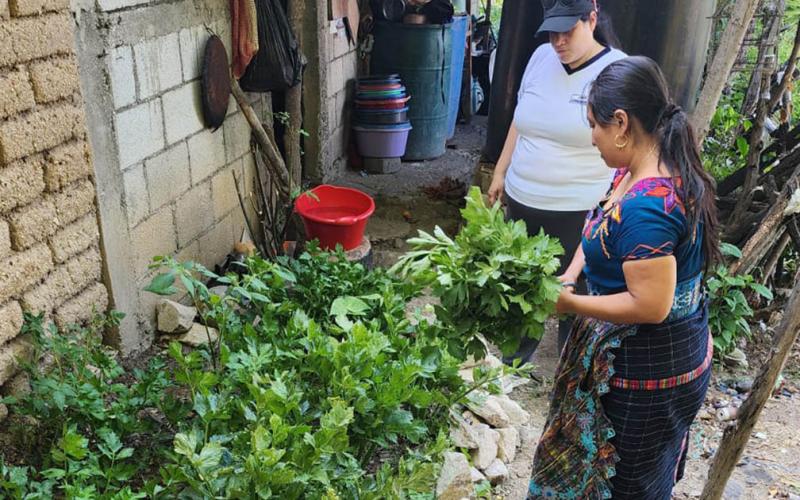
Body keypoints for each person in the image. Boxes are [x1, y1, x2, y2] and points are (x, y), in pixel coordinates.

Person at [528, 56, 720, 499]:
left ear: (621, 123)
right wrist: (570, 276)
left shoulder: (648, 208)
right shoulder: (635, 171)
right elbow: (599, 225)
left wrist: (570, 306)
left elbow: (650, 306)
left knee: (629, 483)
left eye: (594, 124)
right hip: (669, 352)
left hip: (648, 373)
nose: (591, 135)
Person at [487, 0, 626, 364]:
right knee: (520, 289)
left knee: (575, 294)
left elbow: (631, 150)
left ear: (592, 19)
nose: (558, 41)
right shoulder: (540, 58)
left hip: (580, 209)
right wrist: (501, 171)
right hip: (522, 200)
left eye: (568, 31)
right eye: (552, 32)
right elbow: (521, 118)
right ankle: (511, 365)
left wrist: (616, 202)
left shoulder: (617, 71)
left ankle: (571, 373)